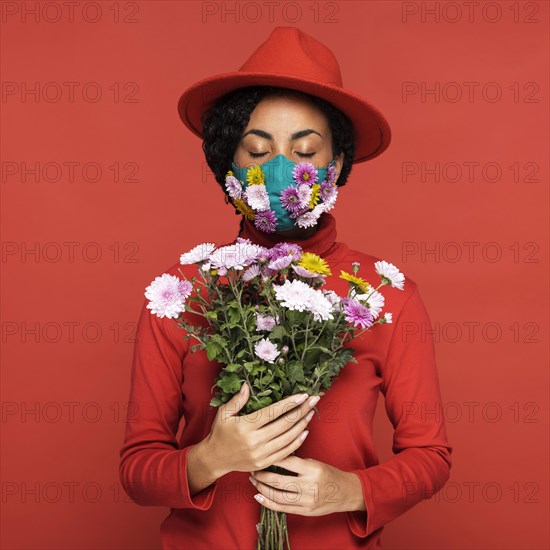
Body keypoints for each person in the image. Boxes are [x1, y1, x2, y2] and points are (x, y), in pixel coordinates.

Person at [119, 27, 453, 550]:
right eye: (257, 150)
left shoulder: (384, 294)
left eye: (305, 151)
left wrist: (351, 490)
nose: (280, 170)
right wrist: (210, 459)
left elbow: (430, 458)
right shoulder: (186, 296)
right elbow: (137, 469)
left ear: (336, 164)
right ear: (229, 165)